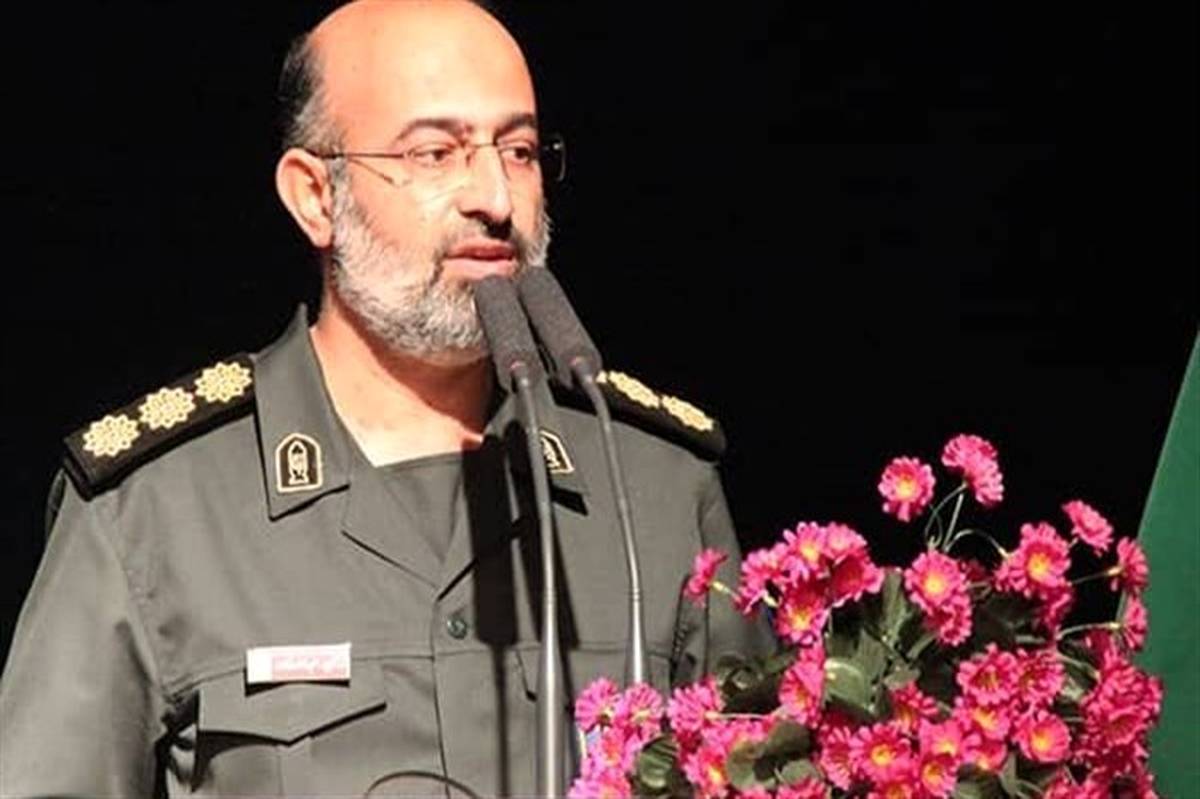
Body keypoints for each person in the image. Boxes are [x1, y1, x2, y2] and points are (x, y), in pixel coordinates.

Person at [0, 1, 769, 795]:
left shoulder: (654, 489)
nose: (495, 199)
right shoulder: (154, 510)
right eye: (434, 153)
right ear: (315, 196)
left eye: (519, 151)